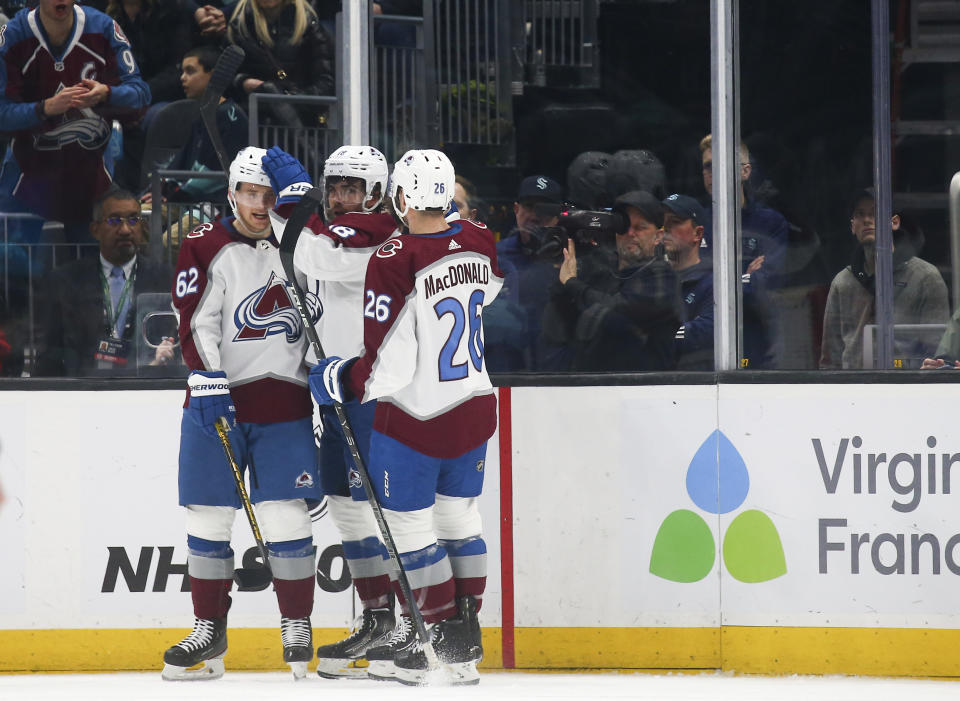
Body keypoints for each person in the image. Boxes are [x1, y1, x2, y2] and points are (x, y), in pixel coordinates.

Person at [308, 149, 502, 686]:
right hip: (474, 403)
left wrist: (339, 379)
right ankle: (466, 639)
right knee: (461, 520)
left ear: (398, 197)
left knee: (410, 526)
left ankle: (438, 637)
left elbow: (385, 366)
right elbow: (491, 284)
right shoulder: (480, 240)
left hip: (417, 414)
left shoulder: (394, 256)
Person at [161, 147, 322, 681]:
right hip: (218, 402)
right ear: (230, 193)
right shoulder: (204, 244)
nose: (260, 204)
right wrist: (207, 379)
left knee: (285, 517)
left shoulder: (306, 245)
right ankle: (209, 628)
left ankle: (297, 622)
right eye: (250, 193)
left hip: (285, 403)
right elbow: (196, 321)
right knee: (207, 517)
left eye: (270, 195)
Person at [260, 144, 400, 679]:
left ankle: (409, 620)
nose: (341, 198)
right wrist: (295, 208)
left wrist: (296, 204)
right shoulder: (327, 229)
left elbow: (314, 254)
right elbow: (297, 246)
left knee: (391, 510)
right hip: (333, 391)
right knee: (347, 506)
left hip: (376, 391)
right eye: (334, 187)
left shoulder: (382, 235)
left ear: (378, 194)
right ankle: (378, 617)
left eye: (352, 188)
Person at [0, 0, 151, 242]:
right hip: (28, 175)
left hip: (90, 177)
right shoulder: (13, 36)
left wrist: (107, 93)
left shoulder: (103, 29)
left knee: (92, 272)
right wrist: (44, 108)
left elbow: (141, 94)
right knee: (13, 267)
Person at [33, 189, 174, 377]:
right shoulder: (64, 281)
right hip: (81, 391)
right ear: (95, 229)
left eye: (133, 220)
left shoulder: (165, 279)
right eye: (114, 220)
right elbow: (49, 354)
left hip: (145, 389)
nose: (125, 230)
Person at [540, 191, 682, 371]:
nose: (630, 233)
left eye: (641, 227)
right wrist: (563, 283)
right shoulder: (601, 272)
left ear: (658, 236)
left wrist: (572, 284)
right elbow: (558, 327)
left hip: (644, 390)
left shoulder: (663, 278)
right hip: (590, 386)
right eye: (623, 227)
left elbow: (620, 314)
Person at [820, 189, 949, 369]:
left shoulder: (925, 277)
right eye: (860, 214)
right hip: (851, 391)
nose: (867, 219)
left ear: (894, 222)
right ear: (852, 226)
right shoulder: (842, 282)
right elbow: (830, 359)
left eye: (875, 213)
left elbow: (938, 350)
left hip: (908, 389)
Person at [142, 45, 249, 206]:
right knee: (138, 214)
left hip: (217, 207)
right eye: (182, 72)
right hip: (187, 200)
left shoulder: (231, 116)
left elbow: (218, 175)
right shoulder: (203, 116)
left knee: (150, 220)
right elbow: (181, 163)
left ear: (213, 76)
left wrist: (173, 196)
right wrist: (161, 189)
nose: (182, 78)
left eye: (190, 71)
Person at [223, 0, 335, 128]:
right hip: (254, 122)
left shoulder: (308, 25)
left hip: (302, 125)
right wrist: (242, 81)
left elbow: (326, 83)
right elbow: (224, 80)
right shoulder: (240, 27)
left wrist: (290, 100)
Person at [662, 193, 714, 371]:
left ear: (698, 233)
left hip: (694, 386)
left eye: (674, 222)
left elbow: (704, 334)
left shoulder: (716, 284)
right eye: (662, 223)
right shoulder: (651, 278)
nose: (665, 230)